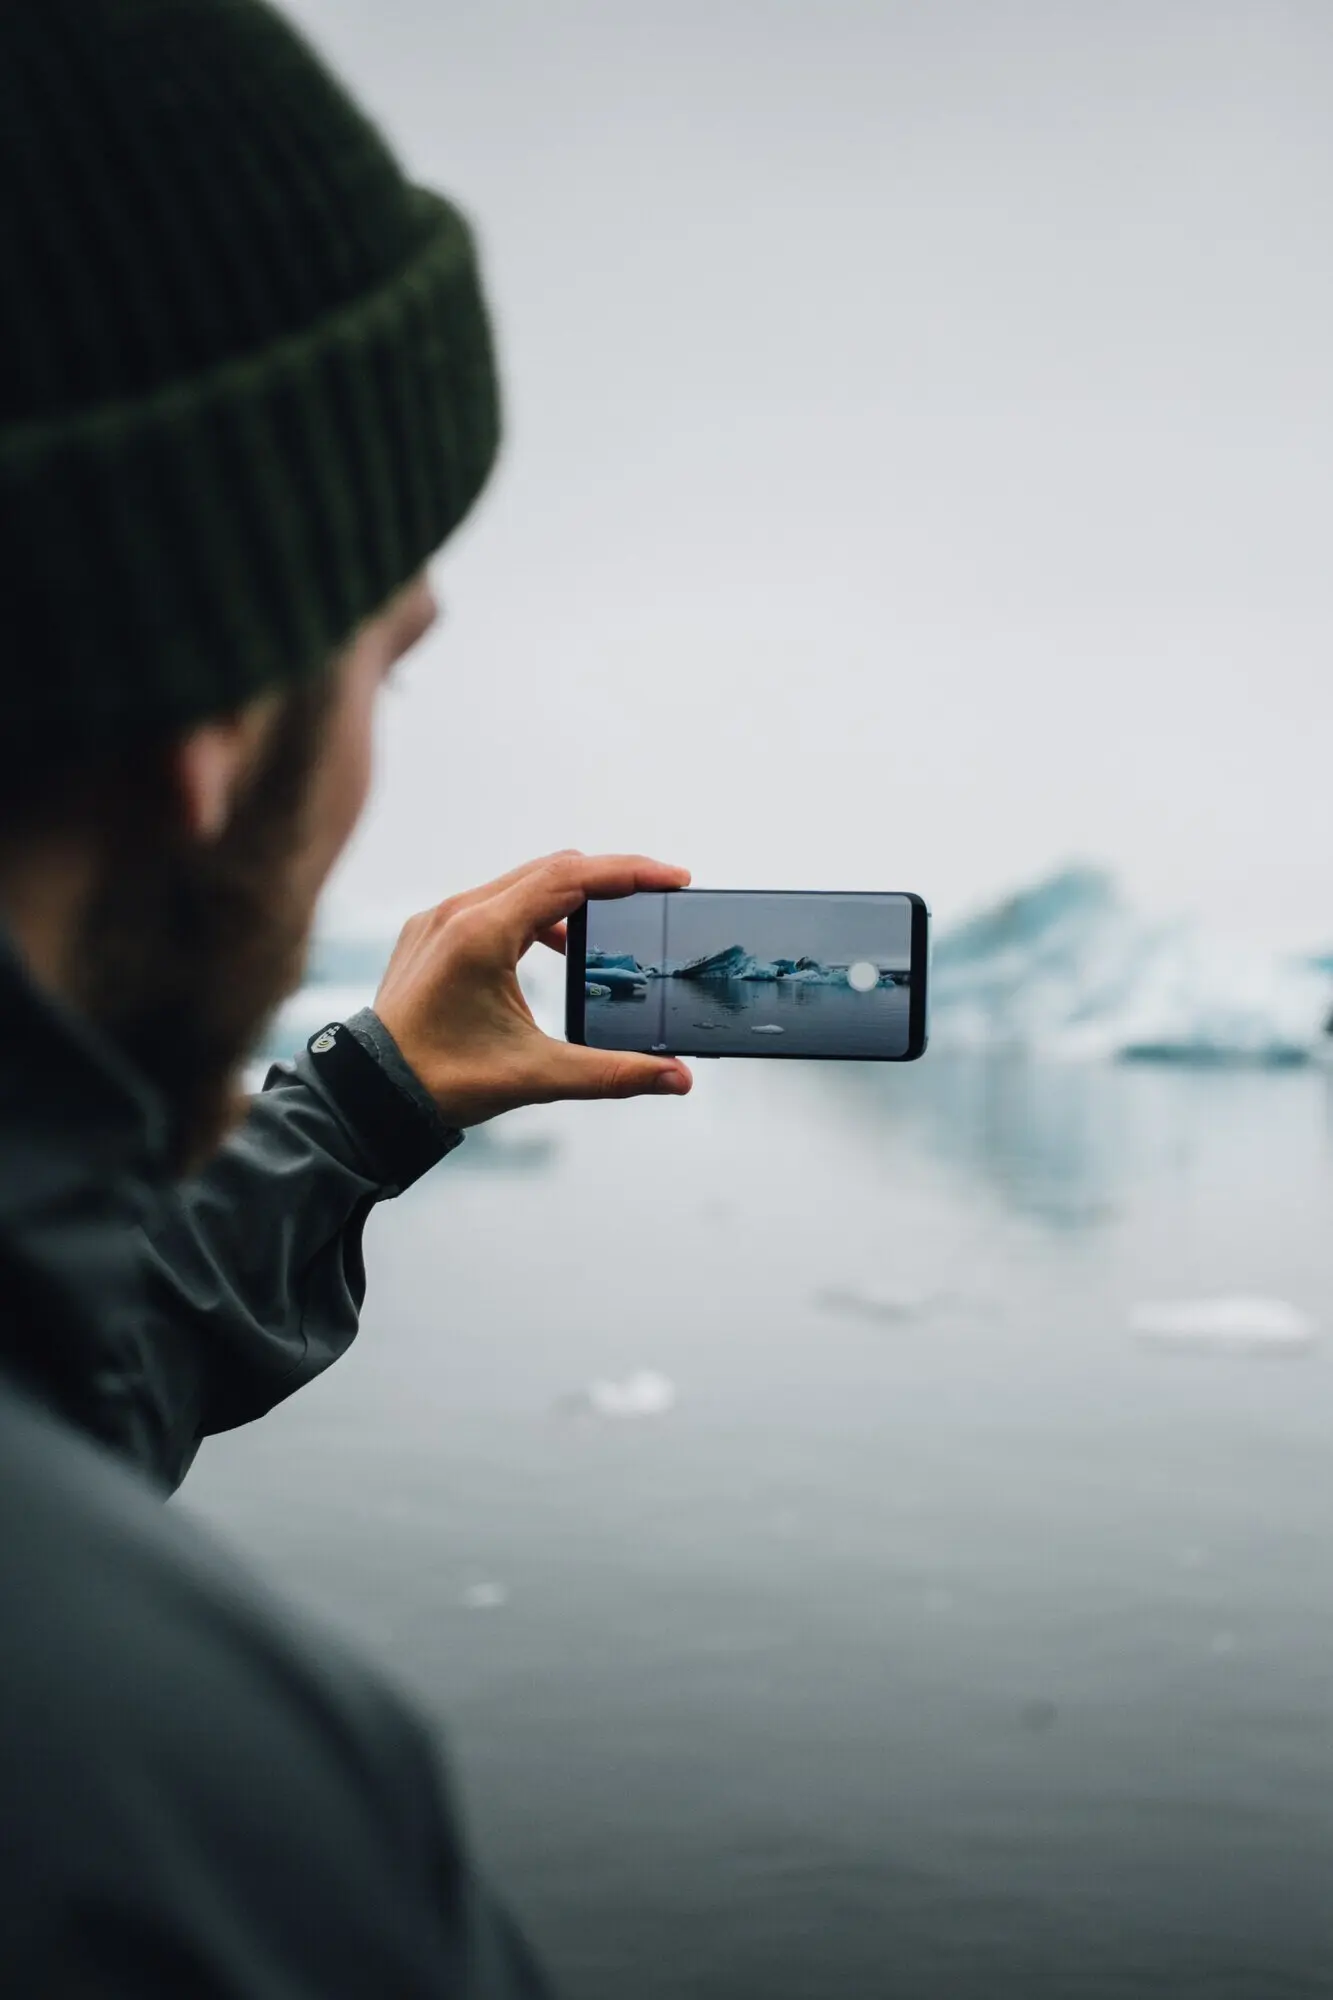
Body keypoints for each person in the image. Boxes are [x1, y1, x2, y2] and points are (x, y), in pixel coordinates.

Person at [0, 1, 693, 1990]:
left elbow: (61, 1396)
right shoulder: (189, 1813)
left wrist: (366, 1101)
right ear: (211, 731)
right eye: (382, 661)